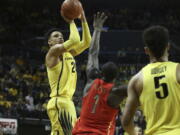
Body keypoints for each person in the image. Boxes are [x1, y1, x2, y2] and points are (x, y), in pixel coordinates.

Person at [72, 12, 127, 135]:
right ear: (116, 77)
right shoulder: (114, 93)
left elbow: (93, 53)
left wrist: (97, 30)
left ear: (101, 73)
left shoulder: (91, 84)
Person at [121, 26, 180, 135]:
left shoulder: (136, 80)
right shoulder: (178, 70)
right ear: (168, 46)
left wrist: (134, 132)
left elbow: (126, 122)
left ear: (146, 50)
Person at [45, 7, 91, 135]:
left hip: (66, 102)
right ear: (49, 42)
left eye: (61, 36)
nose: (60, 37)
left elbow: (87, 42)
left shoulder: (69, 53)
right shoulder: (52, 53)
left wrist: (83, 20)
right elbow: (75, 40)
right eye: (56, 36)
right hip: (59, 101)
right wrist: (71, 21)